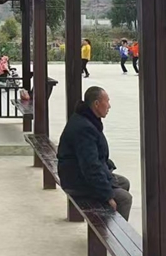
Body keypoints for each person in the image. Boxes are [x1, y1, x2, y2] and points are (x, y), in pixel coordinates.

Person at [56, 86, 133, 220]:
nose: (109, 106)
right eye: (107, 101)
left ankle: (109, 221)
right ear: (96, 104)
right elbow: (90, 167)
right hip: (76, 181)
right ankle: (112, 231)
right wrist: (108, 196)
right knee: (125, 198)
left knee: (124, 182)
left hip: (77, 174)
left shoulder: (87, 119)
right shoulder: (85, 128)